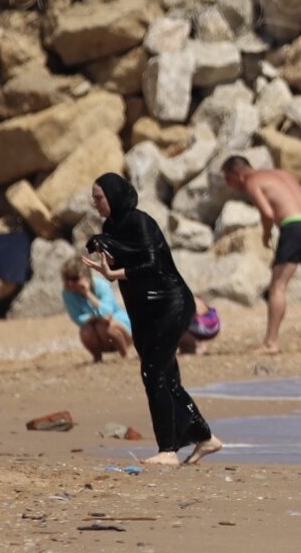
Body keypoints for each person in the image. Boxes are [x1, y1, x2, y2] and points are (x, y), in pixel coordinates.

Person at [82, 172, 222, 465]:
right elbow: (123, 261)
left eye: (99, 198)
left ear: (114, 195)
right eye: (94, 198)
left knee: (153, 372)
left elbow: (152, 264)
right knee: (164, 375)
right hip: (142, 310)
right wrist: (106, 254)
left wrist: (113, 273)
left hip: (171, 303)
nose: (95, 204)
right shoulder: (112, 226)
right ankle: (205, 437)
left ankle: (168, 450)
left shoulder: (140, 222)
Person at [220, 155, 301, 354]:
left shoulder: (252, 181)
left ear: (238, 174)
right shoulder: (282, 174)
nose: (229, 186)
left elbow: (268, 213)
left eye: (228, 179)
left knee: (278, 285)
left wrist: (266, 234)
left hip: (293, 227)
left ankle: (271, 342)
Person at [60, 256, 132, 362]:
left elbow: (108, 312)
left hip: (121, 326)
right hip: (95, 328)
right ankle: (97, 358)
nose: (70, 283)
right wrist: (95, 318)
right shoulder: (68, 294)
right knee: (86, 331)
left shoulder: (101, 286)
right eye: (67, 279)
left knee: (104, 326)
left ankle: (124, 354)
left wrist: (88, 294)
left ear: (86, 277)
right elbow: (77, 317)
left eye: (74, 279)